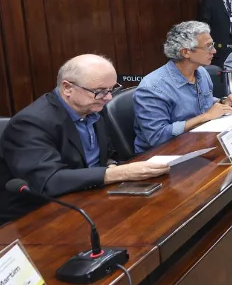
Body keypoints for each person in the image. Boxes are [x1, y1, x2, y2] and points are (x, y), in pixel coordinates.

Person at [0, 55, 170, 224]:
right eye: (100, 91)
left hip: (89, 196)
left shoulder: (93, 107)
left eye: (111, 89)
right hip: (38, 216)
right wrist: (119, 173)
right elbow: (49, 181)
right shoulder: (30, 123)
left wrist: (114, 166)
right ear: (67, 88)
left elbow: (107, 154)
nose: (108, 98)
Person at [133, 22, 232, 154]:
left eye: (213, 45)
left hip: (199, 142)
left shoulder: (201, 72)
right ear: (186, 52)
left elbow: (204, 103)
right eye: (208, 46)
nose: (214, 51)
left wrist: (223, 102)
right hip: (162, 155)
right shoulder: (152, 87)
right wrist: (205, 116)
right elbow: (157, 137)